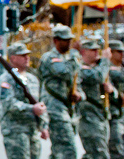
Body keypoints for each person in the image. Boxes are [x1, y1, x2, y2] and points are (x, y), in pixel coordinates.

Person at [0, 42, 49, 159]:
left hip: (33, 131)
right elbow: (8, 104)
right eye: (22, 55)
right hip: (16, 132)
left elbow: (39, 103)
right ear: (13, 58)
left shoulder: (33, 79)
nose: (27, 58)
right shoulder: (5, 80)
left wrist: (43, 125)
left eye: (27, 55)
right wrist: (32, 109)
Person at [38, 25, 84, 159]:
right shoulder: (51, 57)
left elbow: (76, 80)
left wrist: (78, 94)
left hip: (68, 109)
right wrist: (75, 54)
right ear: (56, 40)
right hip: (55, 109)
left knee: (60, 151)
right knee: (68, 150)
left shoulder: (69, 59)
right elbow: (64, 72)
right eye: (65, 40)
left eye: (69, 39)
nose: (68, 43)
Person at [78, 40, 112, 159]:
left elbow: (108, 84)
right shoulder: (80, 68)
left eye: (97, 49)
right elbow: (98, 77)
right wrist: (106, 60)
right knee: (99, 154)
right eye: (93, 50)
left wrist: (112, 90)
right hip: (89, 117)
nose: (97, 52)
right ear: (83, 52)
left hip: (102, 115)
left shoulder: (99, 68)